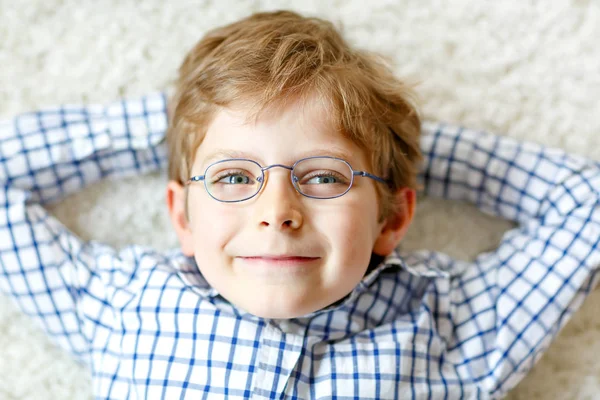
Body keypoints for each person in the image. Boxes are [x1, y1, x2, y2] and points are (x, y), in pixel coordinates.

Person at [0, 10, 598, 399]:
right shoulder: (124, 304)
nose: (277, 211)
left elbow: (586, 202)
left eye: (324, 178)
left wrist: (392, 141)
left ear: (392, 218)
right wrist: (185, 118)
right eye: (234, 176)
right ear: (182, 216)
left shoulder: (454, 327)